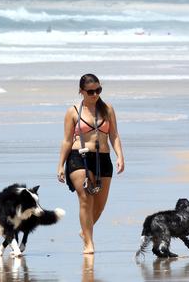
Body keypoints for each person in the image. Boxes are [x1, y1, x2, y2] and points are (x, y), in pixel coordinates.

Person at [57, 74, 125, 254]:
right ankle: (89, 243)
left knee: (99, 206)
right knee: (86, 200)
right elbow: (66, 140)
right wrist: (60, 165)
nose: (95, 94)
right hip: (79, 157)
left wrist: (120, 156)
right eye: (90, 91)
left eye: (98, 90)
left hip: (103, 158)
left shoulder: (108, 109)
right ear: (81, 91)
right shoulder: (72, 111)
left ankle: (84, 232)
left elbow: (114, 135)